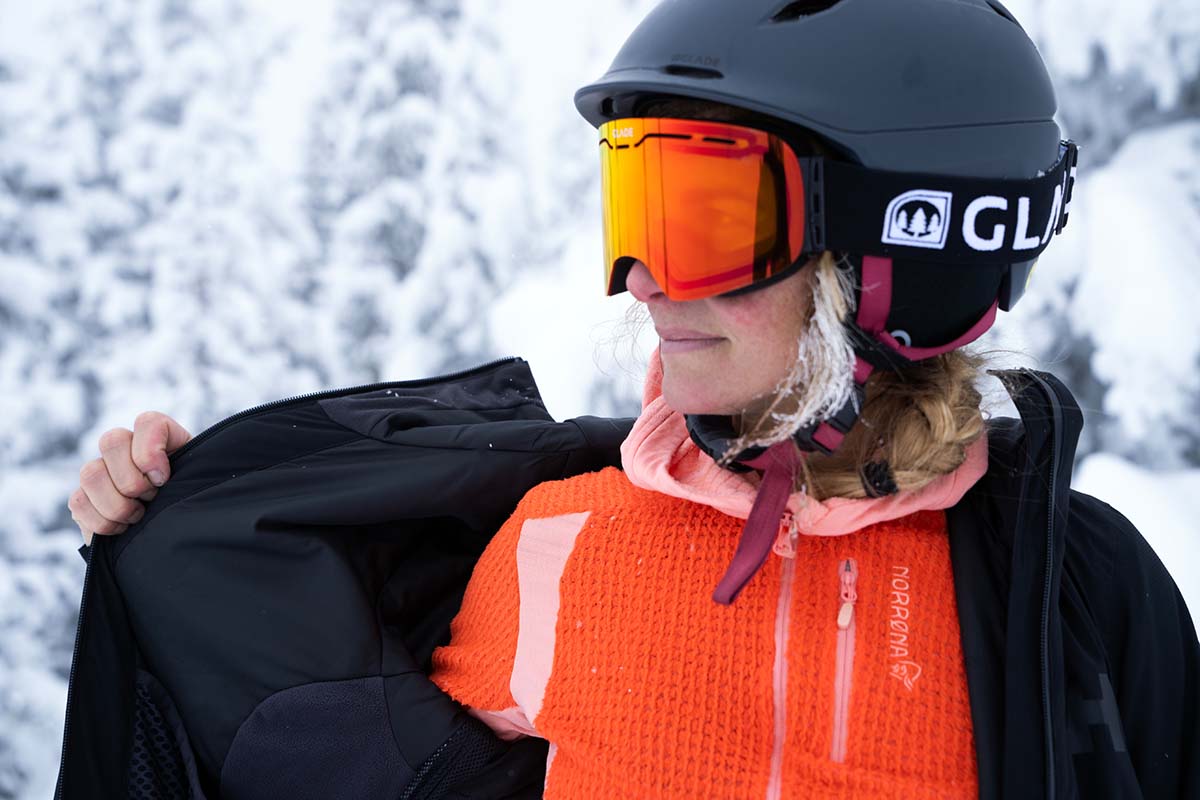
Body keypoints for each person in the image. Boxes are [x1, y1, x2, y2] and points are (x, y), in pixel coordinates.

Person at [68, 0, 1199, 797]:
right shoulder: (555, 539)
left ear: (899, 247)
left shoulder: (1076, 600)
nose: (644, 279)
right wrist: (186, 523)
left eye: (705, 216)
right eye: (637, 208)